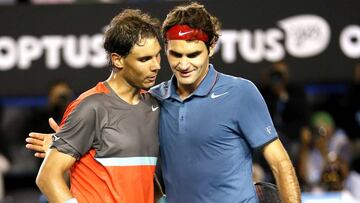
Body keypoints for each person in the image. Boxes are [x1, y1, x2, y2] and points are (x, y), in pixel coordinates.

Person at [27, 2, 301, 202]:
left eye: (193, 54)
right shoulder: (155, 99)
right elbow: (118, 131)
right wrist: (70, 144)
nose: (183, 64)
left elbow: (280, 163)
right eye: (174, 54)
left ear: (212, 47)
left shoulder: (241, 93)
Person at [30, 9, 162, 203]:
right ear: (117, 59)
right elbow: (48, 178)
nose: (156, 66)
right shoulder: (90, 106)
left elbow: (143, 179)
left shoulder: (153, 105)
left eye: (157, 56)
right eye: (144, 59)